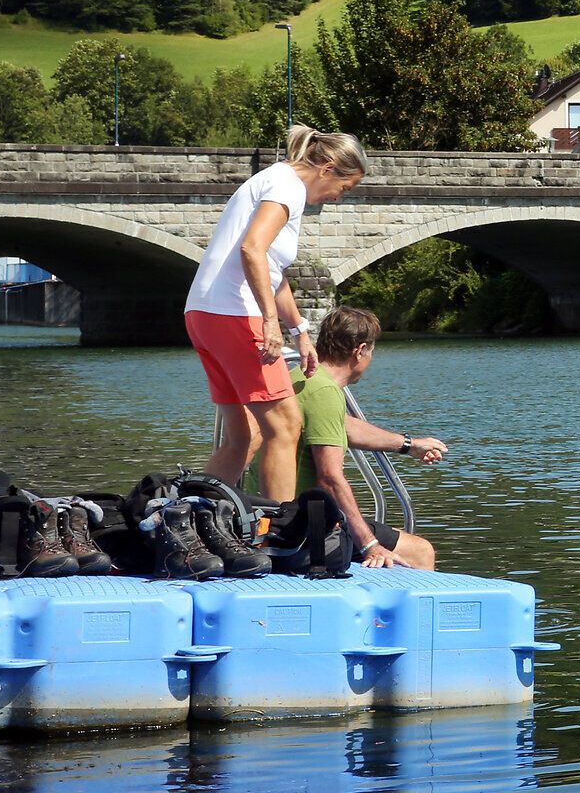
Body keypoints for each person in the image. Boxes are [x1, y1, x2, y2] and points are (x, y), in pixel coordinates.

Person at [185, 125, 368, 502]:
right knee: (286, 426)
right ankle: (276, 530)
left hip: (205, 314)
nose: (336, 198)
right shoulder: (287, 187)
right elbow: (252, 249)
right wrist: (270, 321)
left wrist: (300, 329)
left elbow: (271, 270)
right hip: (236, 314)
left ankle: (188, 513)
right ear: (327, 168)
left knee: (244, 437)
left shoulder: (276, 181)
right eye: (344, 188)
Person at [293, 306, 447, 569]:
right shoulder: (326, 393)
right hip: (309, 531)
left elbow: (341, 426)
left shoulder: (302, 377)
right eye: (372, 352)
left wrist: (409, 445)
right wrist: (369, 544)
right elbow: (329, 479)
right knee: (420, 551)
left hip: (283, 518)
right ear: (360, 350)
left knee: (395, 536)